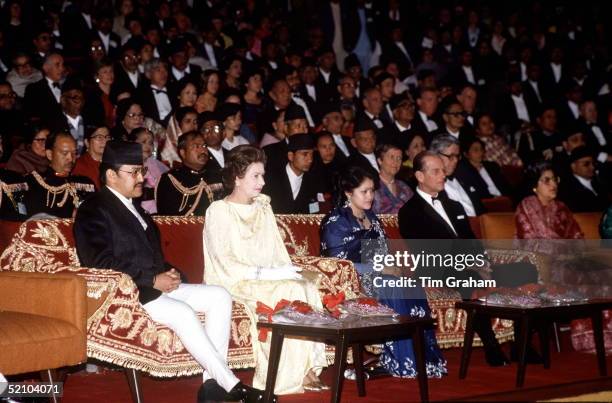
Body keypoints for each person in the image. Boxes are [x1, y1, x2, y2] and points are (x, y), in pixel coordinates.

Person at [73, 141, 264, 402]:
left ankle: (212, 387)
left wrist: (170, 273)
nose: (142, 178)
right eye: (134, 172)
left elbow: (151, 256)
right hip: (129, 293)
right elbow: (99, 261)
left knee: (219, 296)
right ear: (111, 175)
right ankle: (231, 385)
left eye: (141, 171)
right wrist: (152, 279)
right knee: (183, 313)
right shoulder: (93, 209)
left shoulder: (135, 207)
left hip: (155, 287)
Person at [203, 145, 328, 394]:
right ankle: (285, 375)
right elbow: (224, 262)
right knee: (282, 291)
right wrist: (268, 275)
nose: (262, 182)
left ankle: (307, 369)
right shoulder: (219, 210)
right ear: (237, 178)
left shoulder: (263, 206)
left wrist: (284, 270)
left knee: (305, 287)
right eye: (255, 176)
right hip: (235, 279)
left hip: (267, 276)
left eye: (263, 175)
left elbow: (276, 251)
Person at [399, 151, 539, 366]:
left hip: (470, 266)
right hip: (438, 269)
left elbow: (472, 241)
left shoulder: (455, 206)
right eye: (436, 171)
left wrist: (482, 261)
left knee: (527, 270)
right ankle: (491, 345)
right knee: (469, 276)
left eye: (443, 171)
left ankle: (521, 345)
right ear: (419, 176)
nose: (442, 175)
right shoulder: (410, 211)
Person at [320, 165, 446, 378]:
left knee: (411, 285)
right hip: (351, 279)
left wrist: (393, 266)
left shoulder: (371, 217)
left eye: (372, 190)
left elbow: (383, 249)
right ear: (349, 192)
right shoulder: (336, 221)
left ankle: (420, 358)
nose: (370, 196)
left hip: (379, 274)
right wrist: (379, 268)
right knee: (392, 285)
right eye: (364, 191)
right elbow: (336, 265)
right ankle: (402, 362)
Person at [515, 161, 584, 254]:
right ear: (534, 185)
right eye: (547, 180)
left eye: (555, 179)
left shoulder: (561, 207)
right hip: (534, 261)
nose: (554, 184)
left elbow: (577, 238)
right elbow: (530, 243)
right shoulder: (526, 207)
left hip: (566, 259)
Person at [23, 132, 96, 218]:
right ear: (50, 154)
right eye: (65, 153)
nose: (70, 158)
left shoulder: (86, 184)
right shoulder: (32, 183)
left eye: (74, 153)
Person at [156, 131, 216, 216]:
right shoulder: (171, 179)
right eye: (197, 146)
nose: (203, 150)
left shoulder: (216, 175)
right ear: (183, 153)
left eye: (204, 146)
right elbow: (168, 219)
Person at [263, 133, 320, 214]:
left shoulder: (312, 181)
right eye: (305, 154)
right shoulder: (271, 178)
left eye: (312, 155)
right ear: (291, 156)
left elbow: (314, 211)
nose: (310, 159)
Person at [455, 136, 512, 201]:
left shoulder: (492, 166)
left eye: (481, 149)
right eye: (476, 150)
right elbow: (478, 194)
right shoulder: (466, 171)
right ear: (466, 154)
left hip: (506, 199)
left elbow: (506, 185)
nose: (480, 153)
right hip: (489, 203)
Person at [127, 127, 168, 215]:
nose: (148, 146)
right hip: (138, 209)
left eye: (151, 143)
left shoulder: (158, 165)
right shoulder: (127, 165)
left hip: (159, 209)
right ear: (132, 143)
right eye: (143, 142)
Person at [373, 144, 413, 214]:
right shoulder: (373, 187)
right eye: (391, 157)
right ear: (380, 161)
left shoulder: (404, 186)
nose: (396, 162)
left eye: (399, 158)